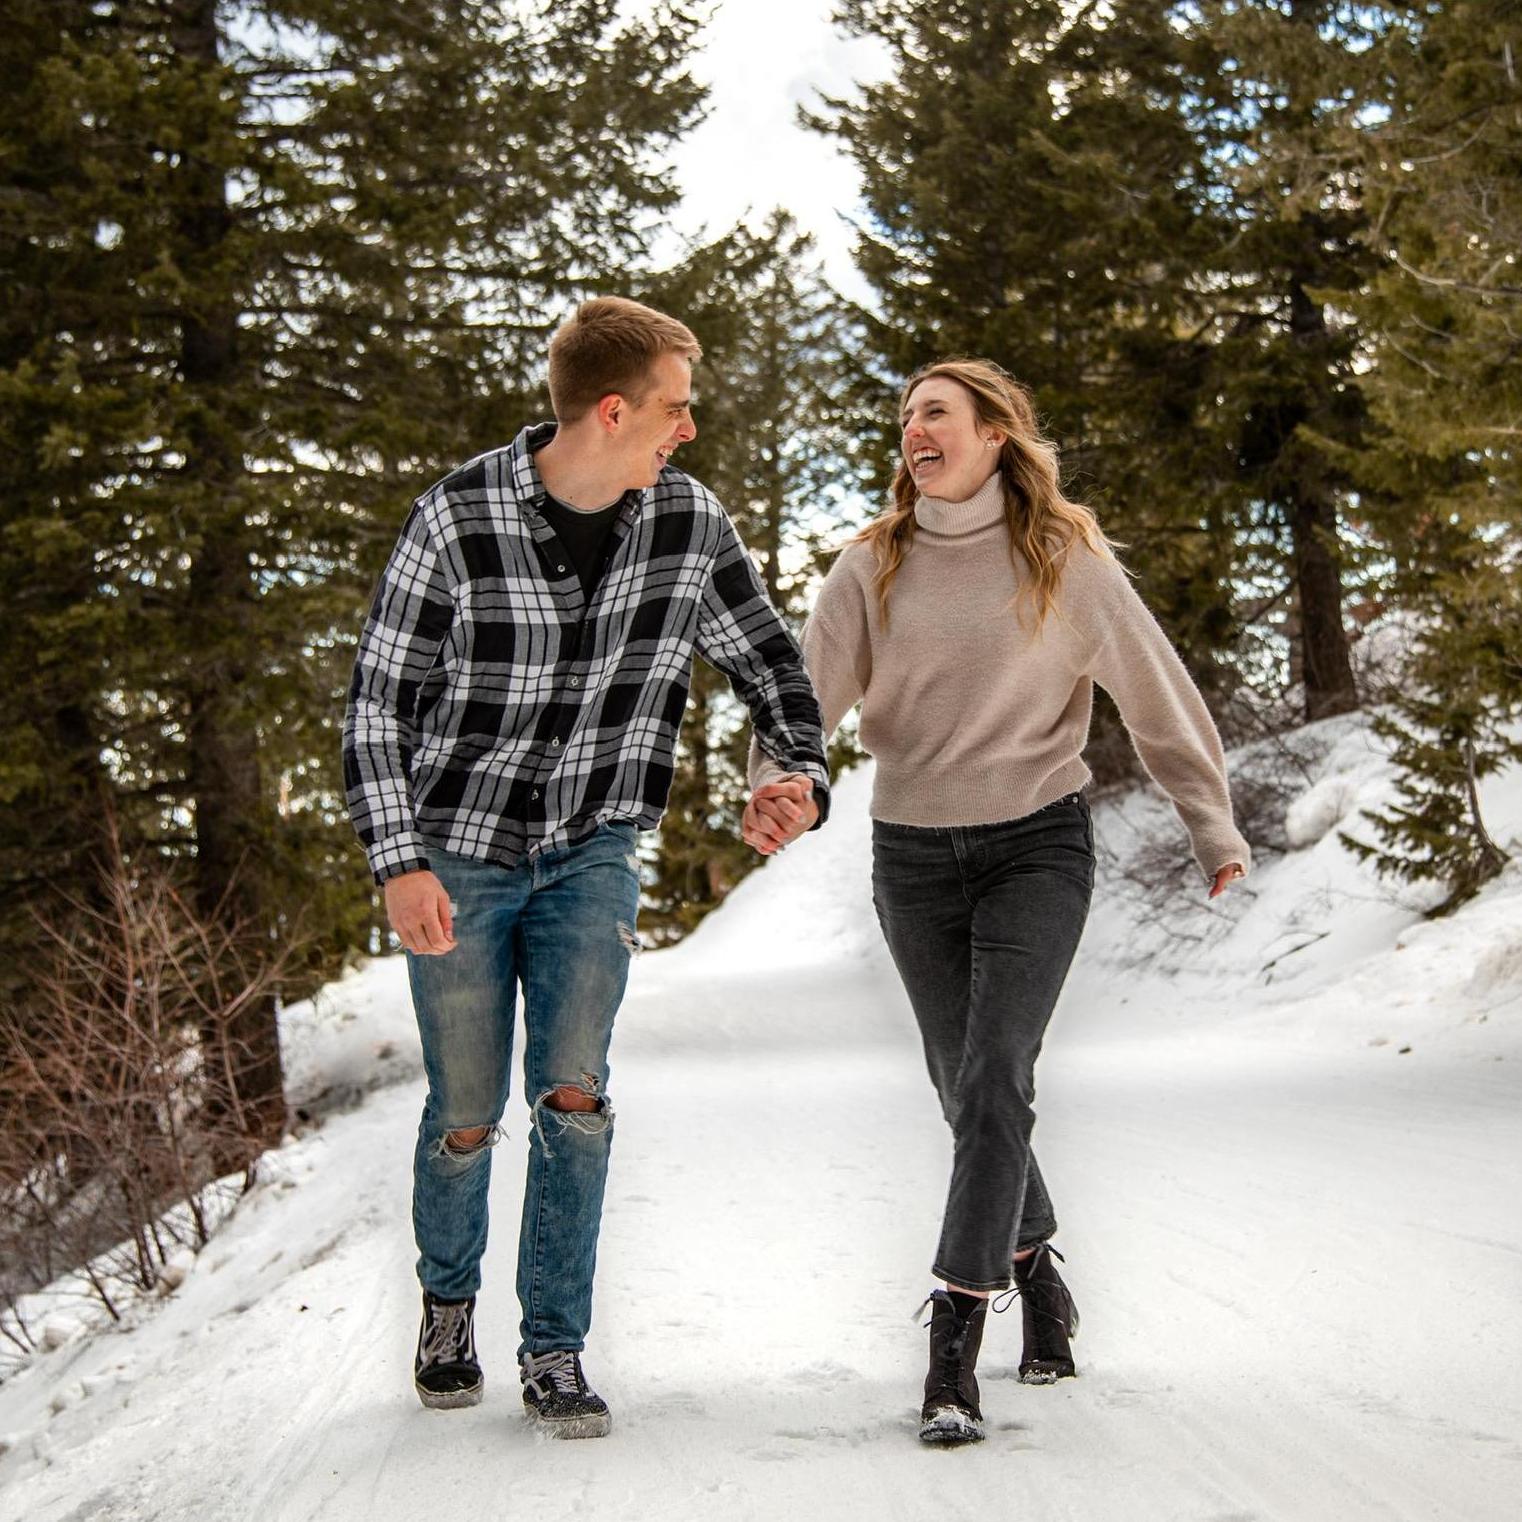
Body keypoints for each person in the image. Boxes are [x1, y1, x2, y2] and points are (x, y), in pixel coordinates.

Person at [343, 296, 830, 1437]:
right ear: (614, 410)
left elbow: (770, 665)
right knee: (466, 1110)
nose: (687, 430)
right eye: (674, 407)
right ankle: (447, 1305)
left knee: (575, 1095)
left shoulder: (689, 525)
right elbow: (376, 702)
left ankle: (553, 1345)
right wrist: (396, 860)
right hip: (456, 852)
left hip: (595, 845)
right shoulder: (458, 518)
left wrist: (794, 772)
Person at [744, 357, 1250, 1446]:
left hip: (1037, 844)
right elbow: (802, 700)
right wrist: (780, 782)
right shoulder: (870, 565)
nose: (913, 430)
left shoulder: (1061, 561)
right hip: (913, 857)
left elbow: (1157, 696)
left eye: (934, 412)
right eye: (903, 418)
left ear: (992, 435)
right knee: (961, 1085)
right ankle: (1036, 1265)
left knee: (991, 1078)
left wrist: (1210, 823)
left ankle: (951, 1345)